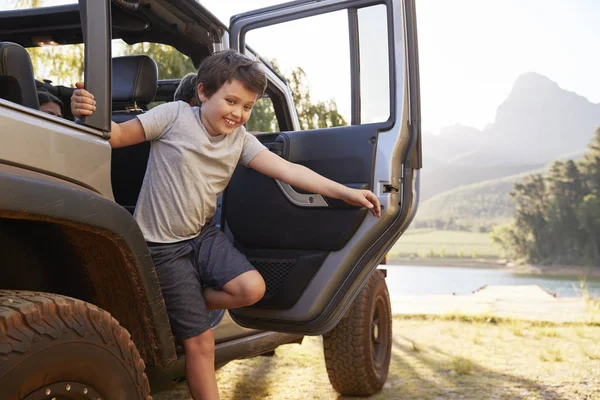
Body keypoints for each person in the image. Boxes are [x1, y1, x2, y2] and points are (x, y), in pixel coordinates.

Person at [71, 49, 381, 400]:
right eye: (231, 101)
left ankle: (190, 302)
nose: (237, 113)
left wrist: (347, 193)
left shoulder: (240, 141)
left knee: (251, 289)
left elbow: (290, 172)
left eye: (247, 107)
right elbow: (118, 136)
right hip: (161, 246)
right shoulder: (173, 116)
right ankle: (186, 314)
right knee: (201, 343)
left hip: (202, 237)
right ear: (203, 93)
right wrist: (88, 113)